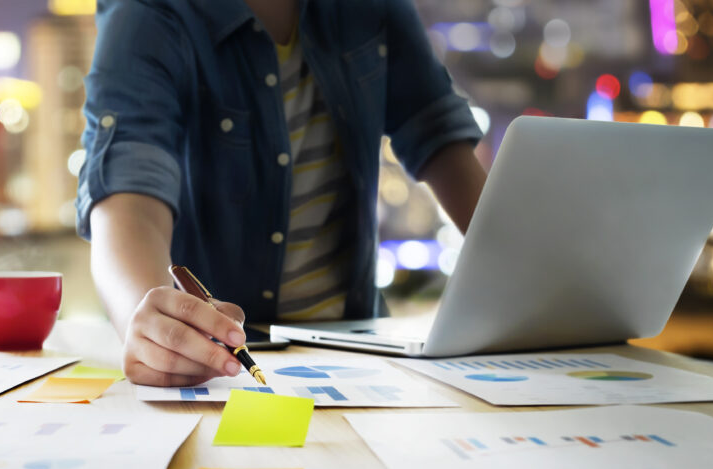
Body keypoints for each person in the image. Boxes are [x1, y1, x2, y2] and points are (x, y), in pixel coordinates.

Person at [76, 0, 487, 387]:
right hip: (219, 369)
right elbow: (127, 193)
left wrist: (534, 287)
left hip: (363, 360)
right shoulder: (149, 11)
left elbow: (439, 137)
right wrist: (149, 322)